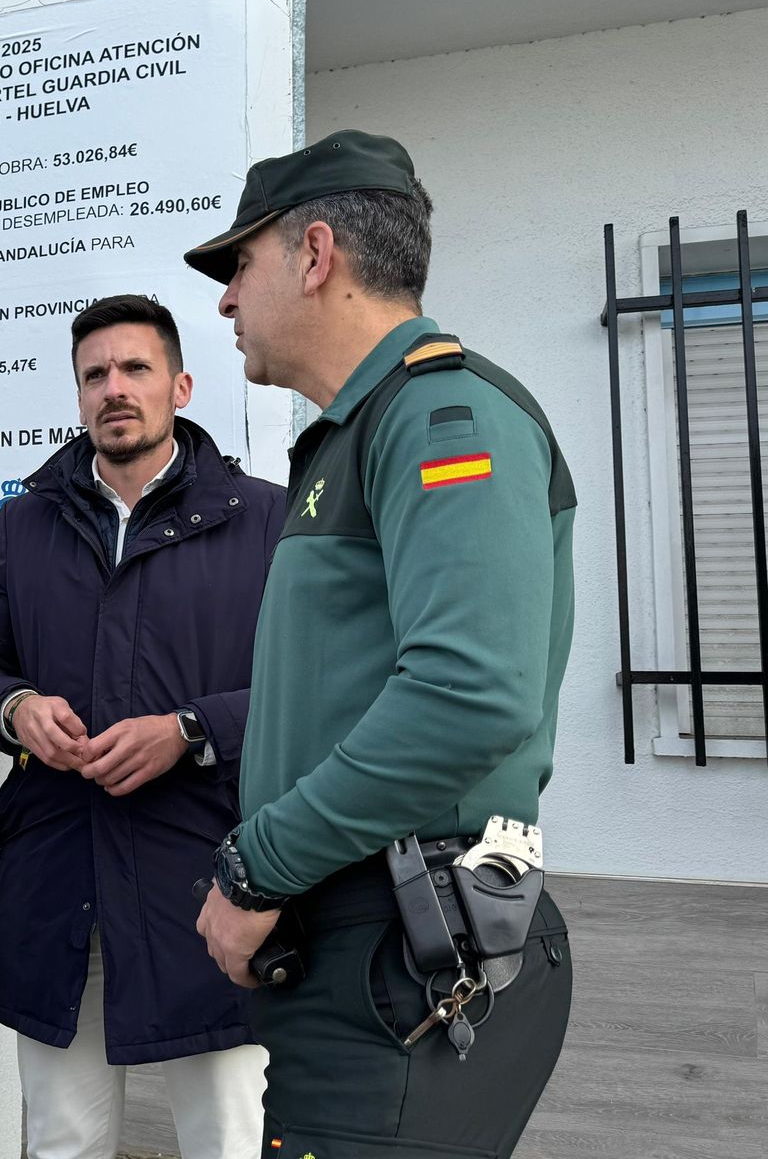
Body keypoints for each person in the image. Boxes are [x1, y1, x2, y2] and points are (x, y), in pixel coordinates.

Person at [185, 130, 575, 1159]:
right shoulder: (362, 432)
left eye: (240, 265)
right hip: (364, 941)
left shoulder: (443, 416)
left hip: (403, 943)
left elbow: (468, 698)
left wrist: (251, 870)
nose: (224, 300)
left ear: (314, 256)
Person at [0, 294, 285, 1159]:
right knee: (62, 1142)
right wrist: (16, 710)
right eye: (94, 375)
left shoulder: (265, 519)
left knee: (229, 1142)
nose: (114, 389)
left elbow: (313, 690)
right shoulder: (27, 523)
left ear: (180, 385)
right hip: (61, 882)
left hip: (208, 886)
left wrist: (190, 728)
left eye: (135, 369)